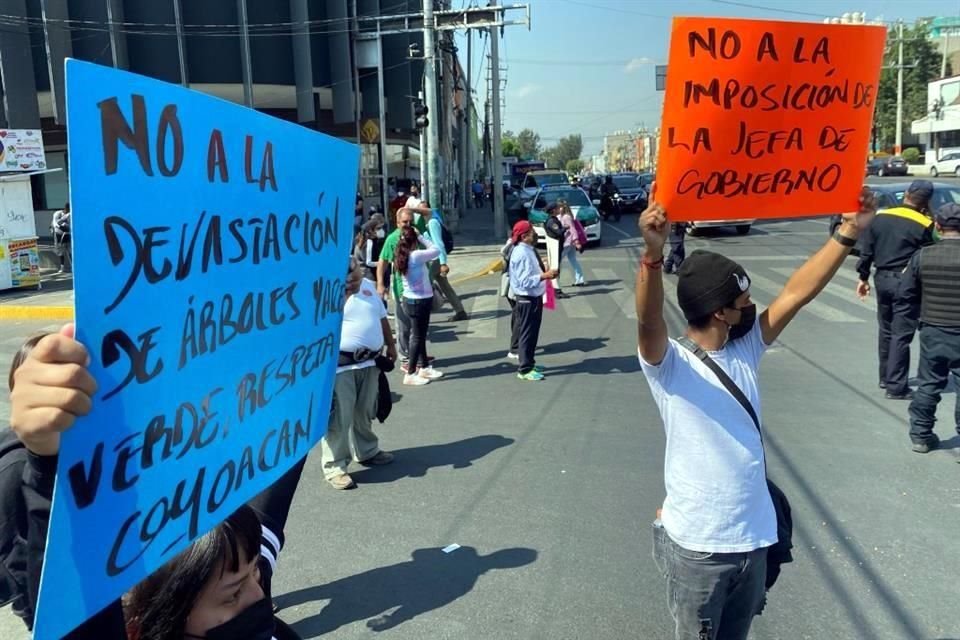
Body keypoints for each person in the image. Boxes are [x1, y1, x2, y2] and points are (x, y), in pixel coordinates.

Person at [636, 188, 875, 640]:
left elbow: (796, 294)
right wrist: (651, 257)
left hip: (754, 540)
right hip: (700, 551)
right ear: (720, 312)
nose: (751, 309)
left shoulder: (745, 348)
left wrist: (848, 230)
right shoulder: (669, 365)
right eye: (742, 304)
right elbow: (649, 323)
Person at [5, 327, 305, 639]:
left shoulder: (234, 570)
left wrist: (314, 314)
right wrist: (51, 464)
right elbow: (74, 598)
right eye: (232, 594)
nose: (260, 595)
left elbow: (283, 452)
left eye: (255, 570)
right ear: (140, 624)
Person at [320, 258, 398, 489]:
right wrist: (343, 294)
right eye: (344, 271)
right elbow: (324, 323)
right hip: (341, 366)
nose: (350, 274)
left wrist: (391, 344)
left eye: (351, 268)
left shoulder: (369, 286)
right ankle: (335, 467)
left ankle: (366, 451)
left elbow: (381, 316)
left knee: (365, 411)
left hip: (370, 363)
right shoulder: (326, 289)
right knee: (339, 418)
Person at [856, 180, 936, 399]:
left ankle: (885, 377)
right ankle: (896, 386)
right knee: (901, 335)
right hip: (907, 282)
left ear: (907, 194)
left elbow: (866, 250)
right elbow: (928, 257)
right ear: (926, 201)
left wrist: (863, 277)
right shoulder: (925, 223)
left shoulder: (881, 216)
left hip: (881, 279)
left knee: (886, 330)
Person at [897, 203, 960, 454]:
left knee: (929, 384)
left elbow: (906, 293)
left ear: (938, 226)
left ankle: (921, 436)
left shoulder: (922, 256)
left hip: (933, 329)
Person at [378, 209, 434, 374]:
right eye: (405, 222)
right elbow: (383, 262)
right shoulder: (392, 239)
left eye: (411, 221)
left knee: (419, 329)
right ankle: (406, 359)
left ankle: (420, 360)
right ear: (397, 222)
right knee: (404, 327)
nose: (408, 225)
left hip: (421, 290)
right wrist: (380, 284)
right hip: (402, 290)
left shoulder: (415, 235)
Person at [508, 221, 558, 381]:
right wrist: (545, 275)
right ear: (524, 236)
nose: (535, 234)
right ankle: (524, 369)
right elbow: (524, 281)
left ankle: (529, 362)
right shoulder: (521, 253)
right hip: (527, 299)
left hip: (533, 297)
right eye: (532, 232)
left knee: (532, 334)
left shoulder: (526, 250)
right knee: (527, 334)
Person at [394, 226, 444, 386]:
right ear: (414, 241)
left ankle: (424, 367)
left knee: (420, 335)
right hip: (419, 301)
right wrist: (421, 236)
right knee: (417, 337)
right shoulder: (415, 256)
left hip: (411, 300)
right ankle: (411, 373)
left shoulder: (402, 255)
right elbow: (436, 250)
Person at [423, 208, 468, 321]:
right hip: (432, 259)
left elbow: (439, 243)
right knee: (445, 286)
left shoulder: (432, 222)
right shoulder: (427, 223)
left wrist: (443, 263)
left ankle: (422, 316)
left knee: (424, 286)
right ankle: (460, 310)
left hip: (435, 260)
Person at [499, 235, 522, 360]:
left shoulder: (510, 245)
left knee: (516, 314)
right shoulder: (517, 248)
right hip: (515, 285)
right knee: (519, 316)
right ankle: (515, 348)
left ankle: (516, 345)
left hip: (508, 283)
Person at [555, 201, 586, 290]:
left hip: (568, 242)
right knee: (572, 259)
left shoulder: (566, 217)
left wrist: (576, 241)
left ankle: (556, 281)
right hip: (568, 242)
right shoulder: (561, 216)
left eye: (559, 207)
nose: (558, 209)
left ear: (563, 207)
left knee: (558, 260)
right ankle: (580, 279)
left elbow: (573, 229)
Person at [354, 214, 387, 282]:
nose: (381, 230)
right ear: (371, 230)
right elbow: (368, 262)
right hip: (367, 276)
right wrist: (383, 263)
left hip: (363, 274)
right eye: (378, 228)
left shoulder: (363, 239)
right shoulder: (369, 242)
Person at [51, 202, 72, 274]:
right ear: (66, 209)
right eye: (68, 210)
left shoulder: (70, 214)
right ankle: (62, 267)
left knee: (70, 251)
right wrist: (64, 224)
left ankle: (73, 267)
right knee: (61, 252)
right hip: (59, 235)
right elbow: (56, 224)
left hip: (68, 234)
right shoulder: (57, 213)